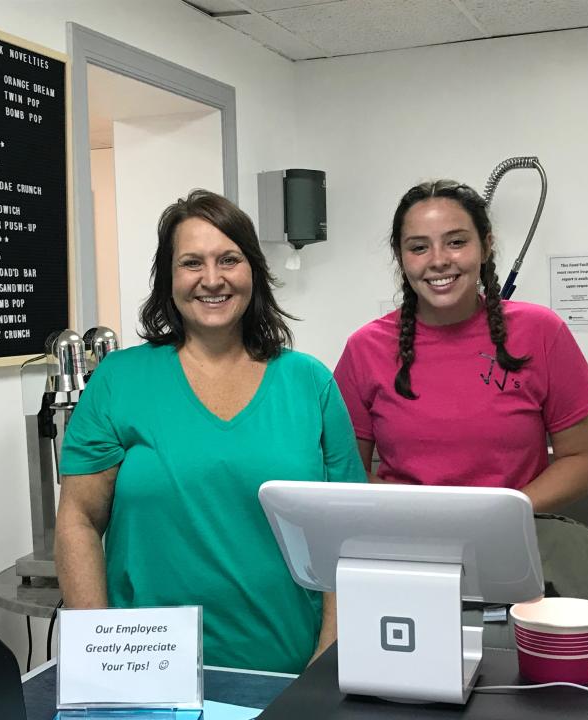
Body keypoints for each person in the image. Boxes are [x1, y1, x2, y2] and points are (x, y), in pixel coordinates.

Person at [54, 189, 366, 674]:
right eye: (191, 263)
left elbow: (347, 536)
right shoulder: (119, 380)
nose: (212, 279)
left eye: (229, 259)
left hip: (283, 666)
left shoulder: (308, 383)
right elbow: (79, 520)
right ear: (169, 277)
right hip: (146, 671)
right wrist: (97, 657)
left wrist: (327, 664)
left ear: (253, 272)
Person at [334, 180, 588, 513]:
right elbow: (347, 472)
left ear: (486, 246)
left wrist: (500, 514)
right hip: (408, 537)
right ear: (400, 257)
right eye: (419, 247)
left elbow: (582, 460)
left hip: (513, 535)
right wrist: (425, 517)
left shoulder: (541, 331)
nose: (438, 260)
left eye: (456, 242)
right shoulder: (365, 349)